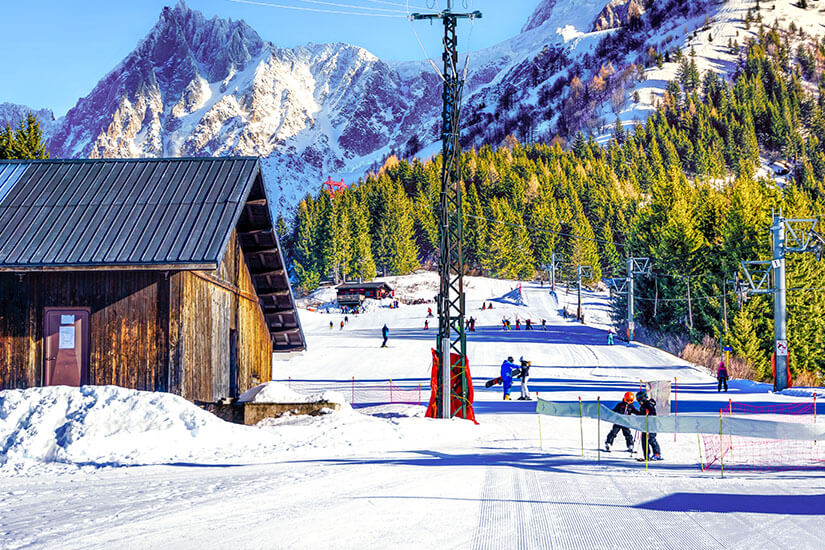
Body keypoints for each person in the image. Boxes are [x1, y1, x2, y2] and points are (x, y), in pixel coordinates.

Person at [633, 390, 662, 460]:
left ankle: (657, 454)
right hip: (644, 425)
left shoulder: (649, 404)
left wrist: (648, 415)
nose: (639, 401)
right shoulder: (642, 406)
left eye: (640, 399)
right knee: (644, 440)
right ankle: (646, 455)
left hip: (652, 425)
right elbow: (641, 415)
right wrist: (634, 412)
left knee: (651, 439)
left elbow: (652, 413)